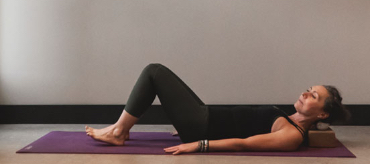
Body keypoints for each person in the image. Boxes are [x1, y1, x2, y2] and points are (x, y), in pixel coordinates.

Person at [85, 63, 350, 155]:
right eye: (308, 89)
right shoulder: (290, 118)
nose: (305, 93)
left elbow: (244, 144)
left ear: (323, 113)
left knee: (154, 72)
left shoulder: (292, 135)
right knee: (157, 74)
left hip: (203, 126)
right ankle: (120, 127)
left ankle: (119, 131)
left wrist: (198, 144)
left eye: (313, 95)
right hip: (206, 115)